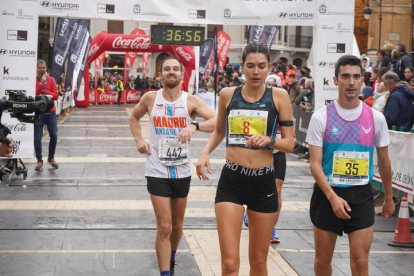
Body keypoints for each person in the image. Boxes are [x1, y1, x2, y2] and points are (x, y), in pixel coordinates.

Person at [196, 42, 295, 275]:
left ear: (269, 67)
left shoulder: (279, 96)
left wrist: (269, 141)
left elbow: (290, 143)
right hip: (232, 180)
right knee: (229, 264)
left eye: (262, 66)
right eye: (250, 66)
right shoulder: (228, 95)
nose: (256, 71)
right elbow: (220, 131)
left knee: (258, 262)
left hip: (264, 183)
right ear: (242, 67)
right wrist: (204, 153)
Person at [306, 55, 395, 276]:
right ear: (336, 80)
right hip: (328, 194)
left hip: (361, 194)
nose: (351, 82)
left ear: (363, 80)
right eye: (345, 76)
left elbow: (384, 161)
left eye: (356, 77)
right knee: (322, 260)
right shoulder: (321, 117)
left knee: (360, 261)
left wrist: (390, 198)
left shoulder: (376, 118)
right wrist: (332, 197)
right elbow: (315, 164)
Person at [129, 56, 216, 276]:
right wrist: (139, 139)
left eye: (175, 69)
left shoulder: (191, 101)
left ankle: (173, 254)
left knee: (177, 227)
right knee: (165, 226)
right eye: (167, 69)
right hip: (156, 169)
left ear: (181, 74)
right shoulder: (150, 98)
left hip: (182, 170)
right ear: (160, 74)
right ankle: (165, 272)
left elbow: (217, 120)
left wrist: (195, 126)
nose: (171, 72)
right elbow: (134, 117)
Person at [34, 60, 59, 171]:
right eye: (39, 68)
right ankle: (39, 160)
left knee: (54, 135)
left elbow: (56, 96)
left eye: (43, 67)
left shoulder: (52, 80)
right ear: (36, 69)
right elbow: (35, 94)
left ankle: (51, 158)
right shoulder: (33, 80)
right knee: (37, 137)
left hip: (51, 112)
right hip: (39, 112)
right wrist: (40, 84)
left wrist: (45, 90)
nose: (42, 70)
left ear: (46, 68)